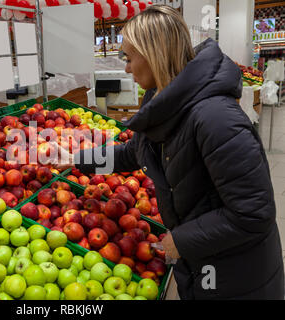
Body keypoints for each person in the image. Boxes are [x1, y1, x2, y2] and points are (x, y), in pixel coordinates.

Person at [56, 5, 284, 299]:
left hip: (238, 273)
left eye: (129, 57)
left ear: (154, 54)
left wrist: (182, 239)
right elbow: (134, 153)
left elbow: (253, 213)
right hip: (204, 260)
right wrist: (76, 160)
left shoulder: (216, 119)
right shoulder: (165, 103)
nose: (125, 68)